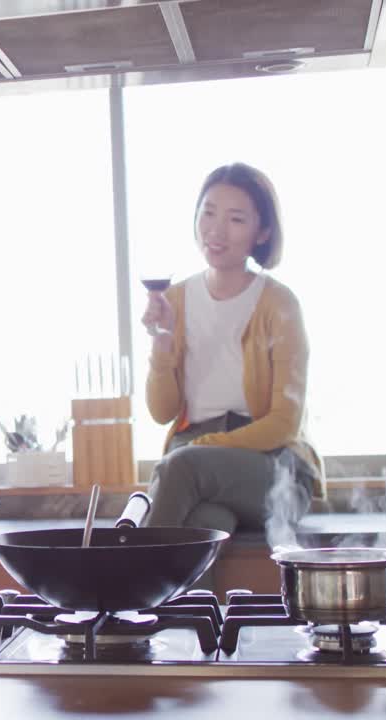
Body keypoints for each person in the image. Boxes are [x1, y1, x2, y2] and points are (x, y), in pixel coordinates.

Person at [141, 162, 323, 552]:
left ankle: (130, 584)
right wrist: (162, 343)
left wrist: (205, 446)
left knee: (180, 466)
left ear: (263, 232)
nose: (216, 230)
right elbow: (161, 411)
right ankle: (169, 597)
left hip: (274, 468)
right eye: (208, 213)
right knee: (204, 525)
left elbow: (283, 424)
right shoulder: (176, 300)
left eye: (236, 219)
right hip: (195, 466)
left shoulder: (279, 304)